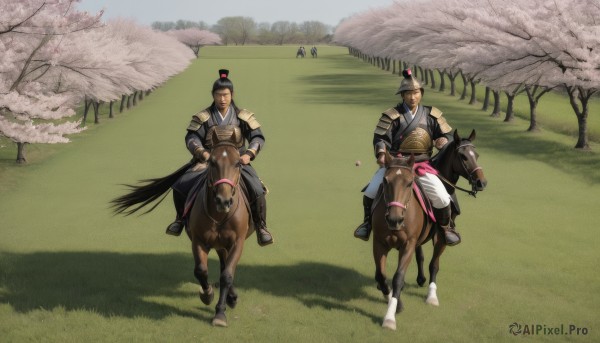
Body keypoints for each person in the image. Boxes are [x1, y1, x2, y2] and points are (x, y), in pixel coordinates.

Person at [165, 69, 274, 247]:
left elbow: (257, 137)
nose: (222, 99)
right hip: (207, 162)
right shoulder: (203, 117)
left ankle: (261, 227)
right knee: (180, 185)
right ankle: (180, 220)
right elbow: (191, 138)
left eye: (225, 95)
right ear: (213, 95)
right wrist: (203, 153)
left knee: (257, 189)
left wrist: (248, 154)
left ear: (232, 94)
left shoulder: (243, 117)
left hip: (236, 163)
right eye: (218, 95)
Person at [353, 69, 461, 246]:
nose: (413, 97)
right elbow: (381, 138)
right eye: (409, 93)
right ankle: (367, 224)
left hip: (422, 165)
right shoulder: (391, 116)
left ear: (421, 94)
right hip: (394, 165)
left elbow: (448, 135)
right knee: (371, 190)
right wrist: (381, 153)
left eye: (416, 93)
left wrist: (443, 141)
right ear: (402, 95)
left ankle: (445, 229)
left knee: (442, 197)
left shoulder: (433, 115)